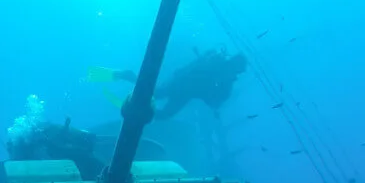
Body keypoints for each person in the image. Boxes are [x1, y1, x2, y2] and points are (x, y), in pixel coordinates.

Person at [88, 47, 248, 120]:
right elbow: (211, 93)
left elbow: (215, 98)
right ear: (235, 64)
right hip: (181, 85)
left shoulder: (223, 72)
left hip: (186, 91)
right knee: (156, 94)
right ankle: (128, 77)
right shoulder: (219, 65)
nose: (237, 74)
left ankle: (137, 106)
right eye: (238, 70)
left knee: (164, 113)